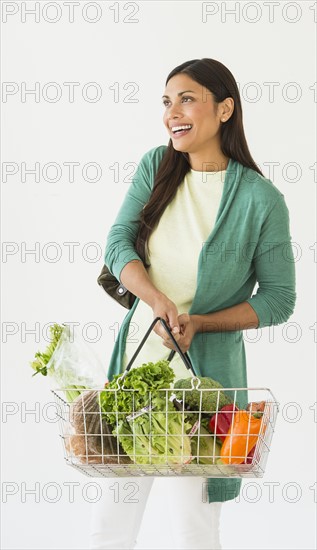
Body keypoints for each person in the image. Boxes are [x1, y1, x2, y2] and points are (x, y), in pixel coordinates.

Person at [89, 58, 296, 549]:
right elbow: (118, 244)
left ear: (225, 109)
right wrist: (156, 298)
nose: (172, 113)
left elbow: (279, 299)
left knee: (193, 533)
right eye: (166, 101)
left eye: (187, 99)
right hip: (135, 378)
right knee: (109, 527)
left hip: (205, 396)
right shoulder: (155, 167)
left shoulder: (261, 200)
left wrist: (199, 322)